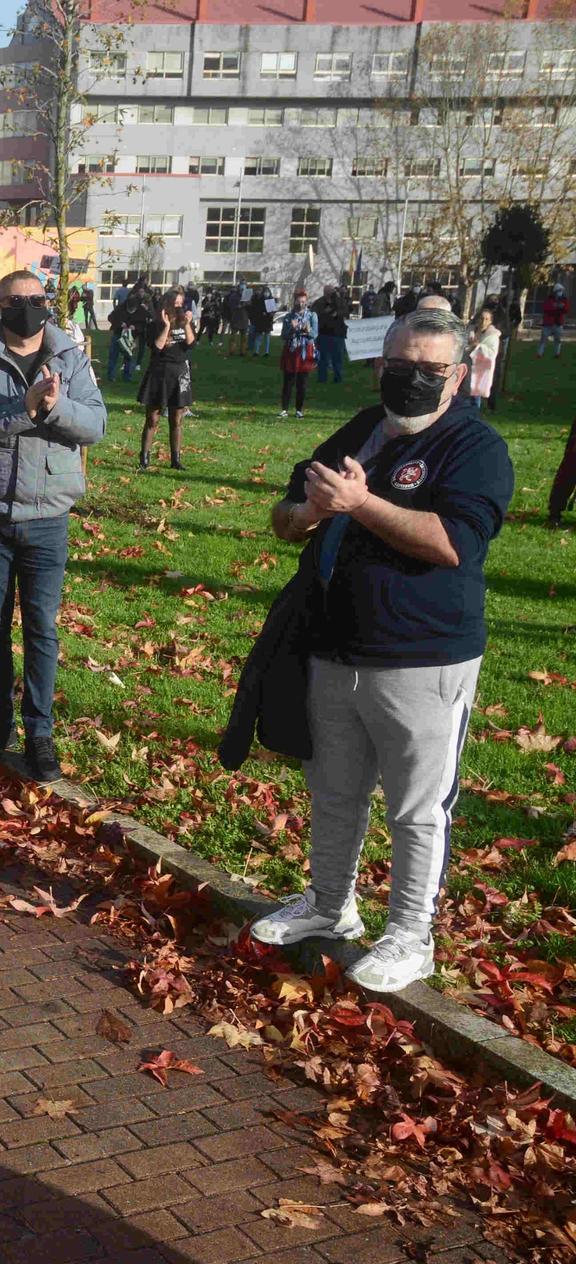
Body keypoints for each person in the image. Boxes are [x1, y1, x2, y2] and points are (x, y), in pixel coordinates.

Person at [250, 308, 513, 992]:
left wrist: (359, 505)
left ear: (458, 377)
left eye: (430, 371)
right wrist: (309, 514)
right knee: (335, 791)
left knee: (417, 807)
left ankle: (409, 936)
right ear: (381, 366)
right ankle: (330, 905)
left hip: (425, 658)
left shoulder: (474, 447)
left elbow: (454, 542)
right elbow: (285, 516)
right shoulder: (360, 431)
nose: (412, 381)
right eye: (400, 368)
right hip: (337, 648)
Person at [0, 270, 108, 782]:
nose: (26, 307)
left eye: (35, 299)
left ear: (49, 304)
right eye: (14, 301)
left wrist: (55, 407)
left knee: (42, 627)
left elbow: (96, 425)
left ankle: (40, 733)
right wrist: (24, 407)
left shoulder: (71, 358)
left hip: (48, 517)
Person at [135, 287, 195, 471]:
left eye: (180, 304)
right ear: (166, 304)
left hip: (179, 372)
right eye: (174, 303)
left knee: (177, 419)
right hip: (159, 373)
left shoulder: (184, 321)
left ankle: (175, 459)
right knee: (153, 418)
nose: (177, 307)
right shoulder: (155, 323)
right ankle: (144, 457)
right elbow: (157, 347)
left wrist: (186, 325)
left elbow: (191, 344)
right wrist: (167, 326)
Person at [279, 291, 319, 419]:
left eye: (303, 301)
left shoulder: (312, 315)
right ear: (294, 301)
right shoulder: (288, 316)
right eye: (298, 301)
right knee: (288, 382)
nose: (301, 304)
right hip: (291, 350)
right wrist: (292, 328)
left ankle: (299, 410)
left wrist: (308, 331)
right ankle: (284, 409)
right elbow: (283, 335)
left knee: (302, 383)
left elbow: (315, 335)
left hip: (304, 350)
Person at [105, 284, 148, 382]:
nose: (131, 311)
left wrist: (135, 327)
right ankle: (111, 376)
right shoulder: (120, 308)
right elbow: (110, 317)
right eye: (129, 309)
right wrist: (120, 324)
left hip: (131, 337)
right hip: (118, 334)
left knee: (129, 356)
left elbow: (143, 324)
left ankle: (127, 376)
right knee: (113, 355)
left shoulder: (141, 311)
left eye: (133, 310)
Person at [466, 308, 501, 411]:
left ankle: (475, 412)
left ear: (490, 321)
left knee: (476, 392)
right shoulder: (470, 331)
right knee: (465, 391)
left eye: (486, 319)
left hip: (481, 368)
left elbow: (492, 353)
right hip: (467, 364)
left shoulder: (493, 336)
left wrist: (478, 346)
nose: (483, 321)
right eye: (481, 318)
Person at [315, 284, 350, 385]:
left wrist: (337, 313)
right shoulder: (320, 302)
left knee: (337, 358)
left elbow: (346, 311)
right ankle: (322, 379)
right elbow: (314, 313)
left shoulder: (339, 301)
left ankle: (337, 378)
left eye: (331, 292)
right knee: (323, 358)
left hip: (337, 334)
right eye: (327, 293)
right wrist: (324, 312)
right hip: (324, 333)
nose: (329, 295)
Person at [538, 284, 567, 357]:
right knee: (544, 339)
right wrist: (555, 307)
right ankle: (540, 353)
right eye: (559, 290)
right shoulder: (549, 299)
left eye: (561, 290)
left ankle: (557, 353)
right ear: (555, 291)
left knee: (558, 339)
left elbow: (566, 309)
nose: (561, 292)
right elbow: (546, 308)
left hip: (558, 323)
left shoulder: (564, 299)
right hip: (548, 323)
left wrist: (561, 307)